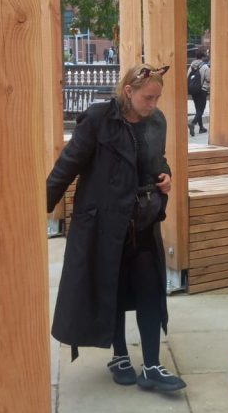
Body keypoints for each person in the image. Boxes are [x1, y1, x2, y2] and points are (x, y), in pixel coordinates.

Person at [46, 63, 186, 392]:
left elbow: (157, 160)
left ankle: (152, 366)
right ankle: (120, 355)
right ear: (128, 91)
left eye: (157, 98)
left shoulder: (157, 121)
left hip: (144, 220)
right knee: (115, 290)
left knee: (151, 290)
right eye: (148, 98)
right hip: (104, 225)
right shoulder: (98, 120)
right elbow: (68, 165)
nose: (153, 104)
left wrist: (165, 175)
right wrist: (40, 206)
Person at [187, 46, 210, 136]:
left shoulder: (191, 66)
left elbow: (188, 76)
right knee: (201, 110)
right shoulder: (205, 66)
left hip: (193, 90)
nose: (207, 55)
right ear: (203, 56)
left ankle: (201, 128)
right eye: (206, 54)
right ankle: (192, 123)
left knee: (197, 109)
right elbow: (208, 79)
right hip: (202, 90)